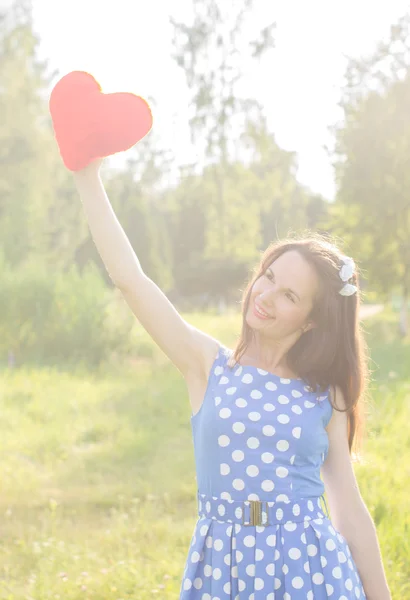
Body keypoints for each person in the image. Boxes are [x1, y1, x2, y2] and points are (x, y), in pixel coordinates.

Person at [73, 159, 391, 599]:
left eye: (289, 296)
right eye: (269, 277)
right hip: (224, 570)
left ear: (313, 321)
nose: (265, 296)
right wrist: (86, 175)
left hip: (312, 573)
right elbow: (130, 279)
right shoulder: (207, 365)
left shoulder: (324, 396)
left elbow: (348, 509)